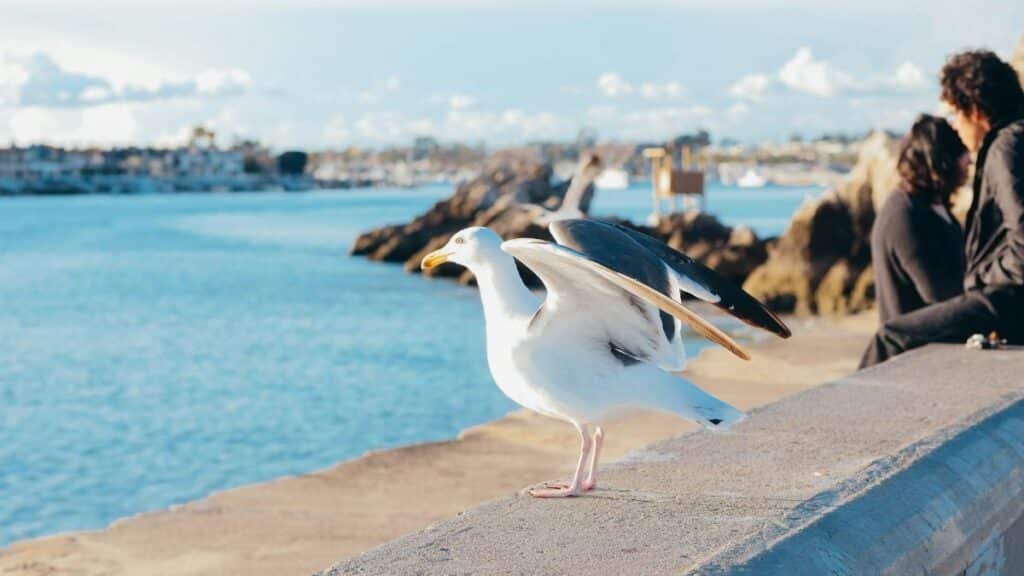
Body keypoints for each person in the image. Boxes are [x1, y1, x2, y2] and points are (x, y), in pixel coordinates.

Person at [860, 49, 1024, 368]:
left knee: (891, 335)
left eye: (956, 115)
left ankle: (844, 415)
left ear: (975, 110)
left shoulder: (1006, 146)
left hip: (1004, 301)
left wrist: (983, 279)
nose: (956, 127)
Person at [872, 115, 969, 324]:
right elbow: (938, 293)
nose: (969, 158)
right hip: (914, 350)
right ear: (940, 160)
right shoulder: (904, 216)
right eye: (961, 151)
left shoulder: (932, 207)